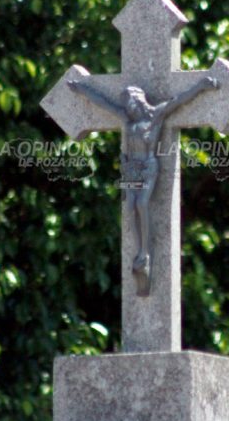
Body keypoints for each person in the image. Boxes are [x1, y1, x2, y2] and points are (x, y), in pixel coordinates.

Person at [68, 76, 219, 295]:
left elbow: (179, 100)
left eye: (130, 102)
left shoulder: (156, 114)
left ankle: (144, 253)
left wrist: (201, 87)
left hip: (148, 166)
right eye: (126, 103)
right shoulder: (126, 121)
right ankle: (139, 251)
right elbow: (103, 103)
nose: (127, 107)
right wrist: (81, 89)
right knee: (129, 208)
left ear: (139, 101)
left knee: (141, 203)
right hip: (131, 167)